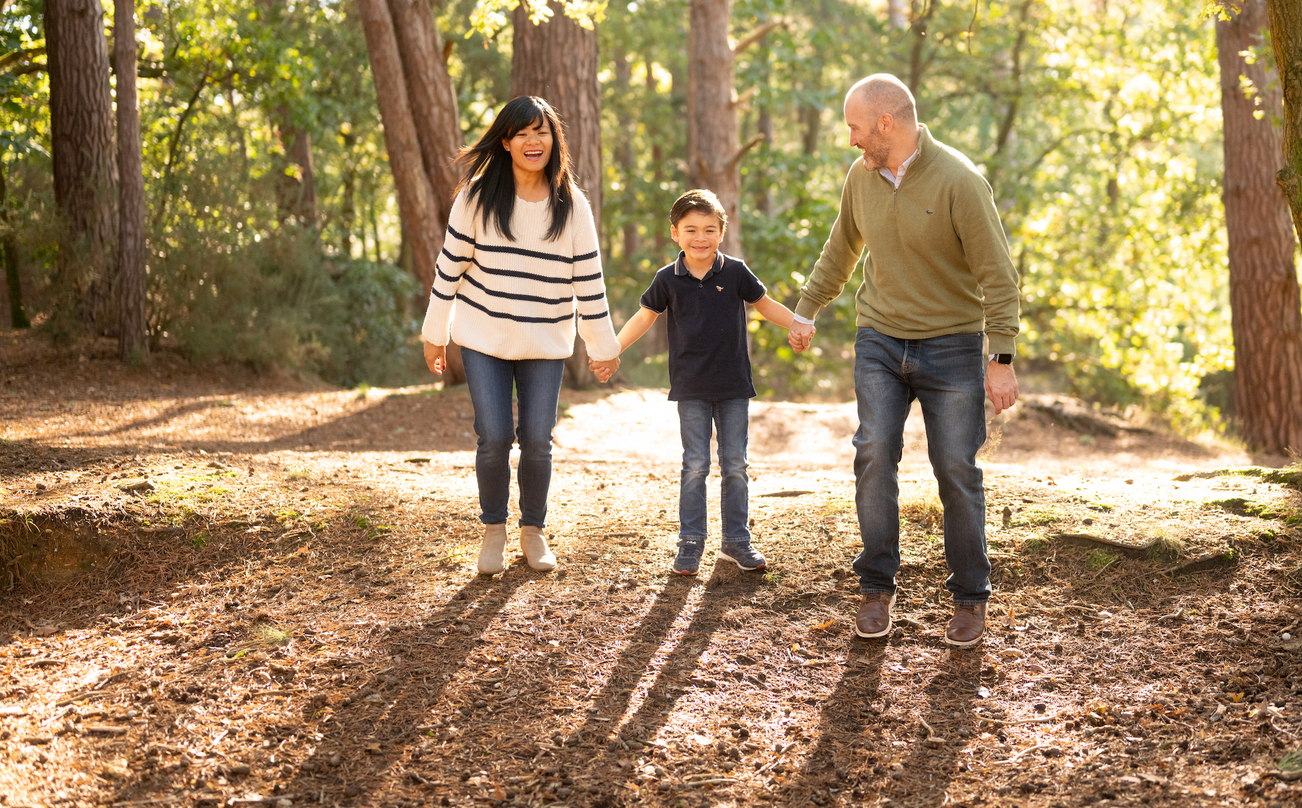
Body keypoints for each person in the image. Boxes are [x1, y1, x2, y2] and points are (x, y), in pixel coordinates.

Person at [787, 74, 1020, 647]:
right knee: (872, 452)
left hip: (952, 344)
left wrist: (1002, 356)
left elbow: (998, 275)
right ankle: (875, 587)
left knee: (957, 471)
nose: (851, 140)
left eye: (856, 127)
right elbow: (841, 247)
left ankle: (969, 598)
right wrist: (807, 308)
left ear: (886, 124)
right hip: (881, 340)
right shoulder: (860, 179)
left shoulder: (960, 182)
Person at [421, 96, 620, 576]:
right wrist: (435, 332)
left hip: (545, 341)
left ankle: (533, 530)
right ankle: (494, 529)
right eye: (524, 133)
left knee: (536, 438)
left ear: (555, 141)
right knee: (493, 436)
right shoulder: (476, 196)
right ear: (506, 142)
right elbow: (449, 270)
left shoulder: (571, 206)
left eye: (543, 132)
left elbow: (589, 282)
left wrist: (603, 347)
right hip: (484, 336)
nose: (535, 141)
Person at [593, 189, 799, 575]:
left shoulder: (736, 271)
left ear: (722, 232)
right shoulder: (667, 278)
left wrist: (799, 324)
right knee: (695, 465)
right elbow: (643, 318)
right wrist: (611, 349)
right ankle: (690, 543)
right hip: (690, 387)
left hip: (734, 384)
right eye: (690, 230)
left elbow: (765, 304)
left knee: (735, 464)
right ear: (675, 233)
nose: (699, 237)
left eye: (709, 229)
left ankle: (736, 542)